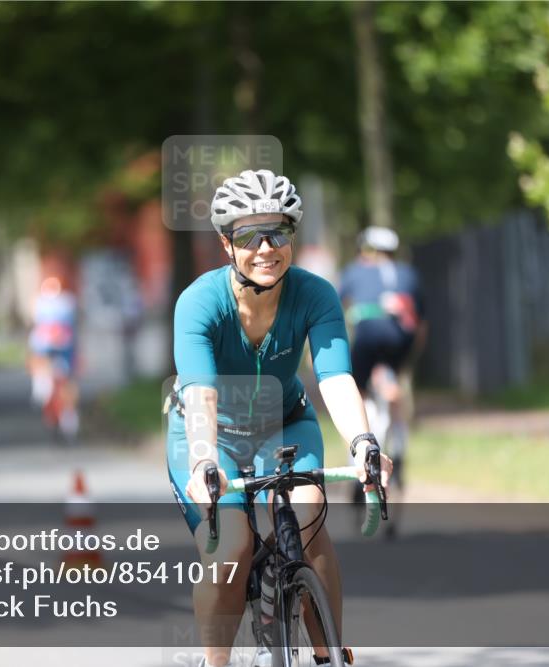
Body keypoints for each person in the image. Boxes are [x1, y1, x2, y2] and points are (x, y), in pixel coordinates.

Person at [166, 169, 393, 667]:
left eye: (279, 232)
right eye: (250, 235)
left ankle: (327, 653)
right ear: (227, 244)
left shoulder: (316, 295)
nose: (266, 248)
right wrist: (206, 460)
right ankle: (216, 663)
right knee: (233, 548)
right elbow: (201, 395)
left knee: (309, 517)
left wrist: (362, 442)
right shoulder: (199, 304)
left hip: (285, 424)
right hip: (208, 435)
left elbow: (335, 378)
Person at [337, 226, 427, 526]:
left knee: (357, 396)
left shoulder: (355, 271)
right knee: (392, 388)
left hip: (367, 337)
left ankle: (360, 457)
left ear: (366, 250)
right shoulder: (409, 274)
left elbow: (336, 310)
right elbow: (421, 327)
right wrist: (404, 365)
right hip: (400, 339)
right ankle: (398, 445)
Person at [28, 276, 79, 441]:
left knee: (64, 387)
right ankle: (44, 396)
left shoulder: (61, 305)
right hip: (51, 351)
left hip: (62, 351)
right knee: (51, 382)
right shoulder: (58, 305)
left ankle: (67, 421)